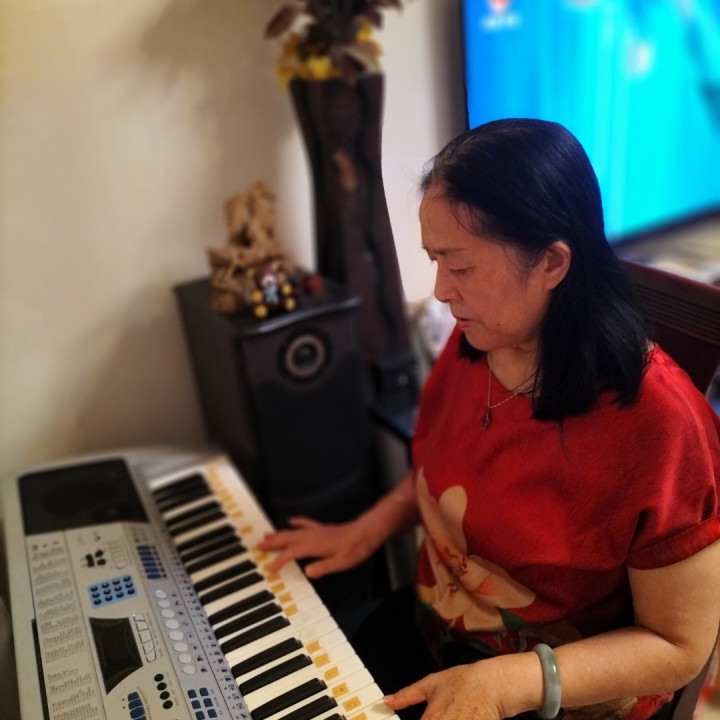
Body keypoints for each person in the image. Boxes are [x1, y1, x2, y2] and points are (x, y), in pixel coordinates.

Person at [259, 118, 720, 720]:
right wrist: (367, 529)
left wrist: (509, 683)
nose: (440, 290)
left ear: (551, 263)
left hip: (546, 691)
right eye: (434, 261)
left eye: (460, 266)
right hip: (437, 636)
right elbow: (444, 469)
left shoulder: (661, 425)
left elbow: (679, 645)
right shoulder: (478, 340)